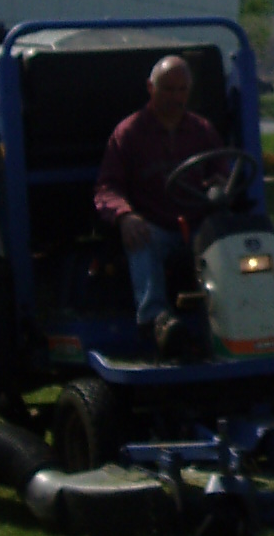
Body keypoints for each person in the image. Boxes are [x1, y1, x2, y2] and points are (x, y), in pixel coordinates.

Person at [94, 55, 224, 337]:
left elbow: (222, 173)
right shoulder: (128, 133)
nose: (176, 97)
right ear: (151, 88)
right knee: (142, 238)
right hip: (156, 225)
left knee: (234, 235)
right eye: (168, 89)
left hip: (199, 224)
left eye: (182, 90)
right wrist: (125, 216)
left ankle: (242, 313)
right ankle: (156, 321)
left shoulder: (202, 131)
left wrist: (220, 186)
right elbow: (107, 187)